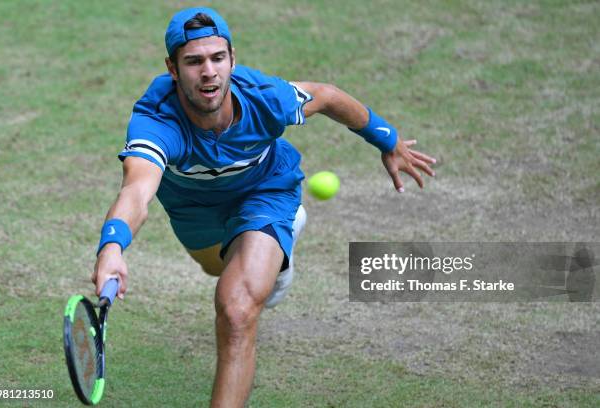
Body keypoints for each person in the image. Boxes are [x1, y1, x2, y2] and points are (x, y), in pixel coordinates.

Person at [91, 7, 436, 407]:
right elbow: (136, 191)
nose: (209, 72)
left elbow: (327, 96)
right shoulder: (156, 121)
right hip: (194, 211)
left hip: (265, 190)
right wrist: (112, 246)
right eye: (194, 61)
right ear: (172, 68)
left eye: (218, 58)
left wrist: (388, 140)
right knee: (216, 267)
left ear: (232, 59)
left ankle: (275, 242)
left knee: (236, 309)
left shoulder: (264, 98)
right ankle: (278, 256)